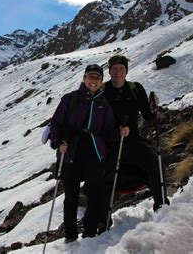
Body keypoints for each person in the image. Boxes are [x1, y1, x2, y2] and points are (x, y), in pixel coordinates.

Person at [49, 64, 127, 242]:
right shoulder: (70, 99)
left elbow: (107, 130)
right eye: (91, 77)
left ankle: (90, 233)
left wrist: (119, 133)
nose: (94, 81)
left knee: (95, 194)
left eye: (97, 78)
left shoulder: (103, 103)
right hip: (70, 150)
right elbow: (56, 123)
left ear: (101, 82)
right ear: (84, 79)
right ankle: (70, 234)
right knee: (71, 196)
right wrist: (58, 141)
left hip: (94, 152)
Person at [100, 55, 169, 230]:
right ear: (109, 71)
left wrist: (154, 107)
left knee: (155, 163)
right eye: (114, 69)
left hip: (133, 141)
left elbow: (147, 116)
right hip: (109, 144)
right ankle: (102, 222)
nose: (117, 72)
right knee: (102, 177)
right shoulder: (101, 91)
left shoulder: (135, 89)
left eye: (121, 69)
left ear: (126, 71)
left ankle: (162, 208)